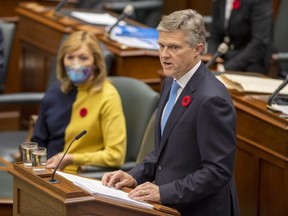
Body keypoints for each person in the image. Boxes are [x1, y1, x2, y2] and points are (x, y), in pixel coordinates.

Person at [102, 9, 240, 216]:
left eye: (174, 47)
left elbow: (217, 171)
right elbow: (164, 150)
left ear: (197, 49)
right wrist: (134, 176)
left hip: (201, 209)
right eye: (161, 46)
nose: (164, 55)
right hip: (169, 207)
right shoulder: (171, 82)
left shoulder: (212, 100)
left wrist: (164, 192)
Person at [31, 31, 127, 174]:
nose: (76, 64)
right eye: (70, 57)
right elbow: (38, 140)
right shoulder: (55, 91)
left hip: (77, 174)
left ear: (95, 62)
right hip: (45, 170)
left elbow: (116, 156)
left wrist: (72, 158)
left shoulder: (108, 96)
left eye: (83, 58)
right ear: (62, 61)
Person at [207, 0, 273, 74]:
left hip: (250, 64)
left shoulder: (260, 2)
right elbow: (214, 37)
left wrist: (226, 68)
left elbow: (259, 42)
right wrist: (214, 60)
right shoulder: (218, 2)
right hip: (224, 60)